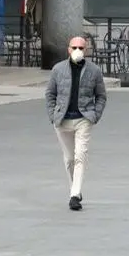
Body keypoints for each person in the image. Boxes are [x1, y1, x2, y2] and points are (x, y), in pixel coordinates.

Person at [45, 36, 107, 211]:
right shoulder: (58, 70)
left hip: (83, 118)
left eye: (81, 47)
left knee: (80, 156)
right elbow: (50, 94)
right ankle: (75, 189)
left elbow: (101, 95)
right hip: (62, 119)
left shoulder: (94, 71)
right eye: (74, 47)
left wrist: (95, 114)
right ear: (68, 49)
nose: (77, 51)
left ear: (86, 50)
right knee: (70, 159)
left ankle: (74, 195)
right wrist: (52, 114)